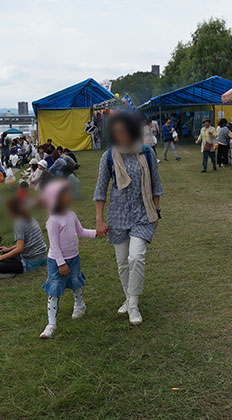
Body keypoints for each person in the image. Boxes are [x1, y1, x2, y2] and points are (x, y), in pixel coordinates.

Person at [94, 112, 163, 326]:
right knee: (122, 262)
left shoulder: (147, 153)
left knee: (136, 257)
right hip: (118, 215)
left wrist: (156, 212)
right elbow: (100, 190)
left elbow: (156, 186)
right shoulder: (108, 156)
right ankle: (128, 296)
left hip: (143, 214)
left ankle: (133, 304)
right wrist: (99, 219)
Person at [40, 180, 100, 338]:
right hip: (57, 262)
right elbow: (54, 244)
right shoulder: (53, 221)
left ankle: (80, 305)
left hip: (74, 258)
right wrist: (61, 263)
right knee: (54, 290)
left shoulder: (71, 215)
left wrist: (96, 233)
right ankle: (51, 323)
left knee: (76, 282)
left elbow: (80, 232)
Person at [0, 197, 48, 278]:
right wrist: (8, 249)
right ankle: (12, 268)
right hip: (42, 257)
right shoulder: (29, 217)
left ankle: (16, 271)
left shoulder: (19, 223)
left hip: (32, 262)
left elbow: (20, 249)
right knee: (5, 254)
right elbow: (25, 243)